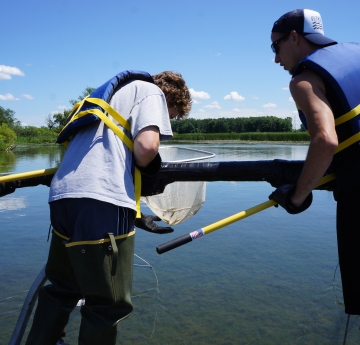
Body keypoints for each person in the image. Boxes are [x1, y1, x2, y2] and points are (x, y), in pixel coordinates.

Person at [26, 70, 192, 345]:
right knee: (107, 306)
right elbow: (146, 147)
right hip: (102, 201)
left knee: (62, 290)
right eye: (171, 115)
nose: (168, 120)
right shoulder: (151, 92)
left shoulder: (114, 97)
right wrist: (150, 166)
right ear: (170, 99)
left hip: (63, 197)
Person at [269, 9, 360, 320]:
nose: (276, 58)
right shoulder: (356, 54)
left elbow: (325, 141)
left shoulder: (304, 81)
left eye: (275, 47)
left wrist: (296, 196)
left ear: (295, 38)